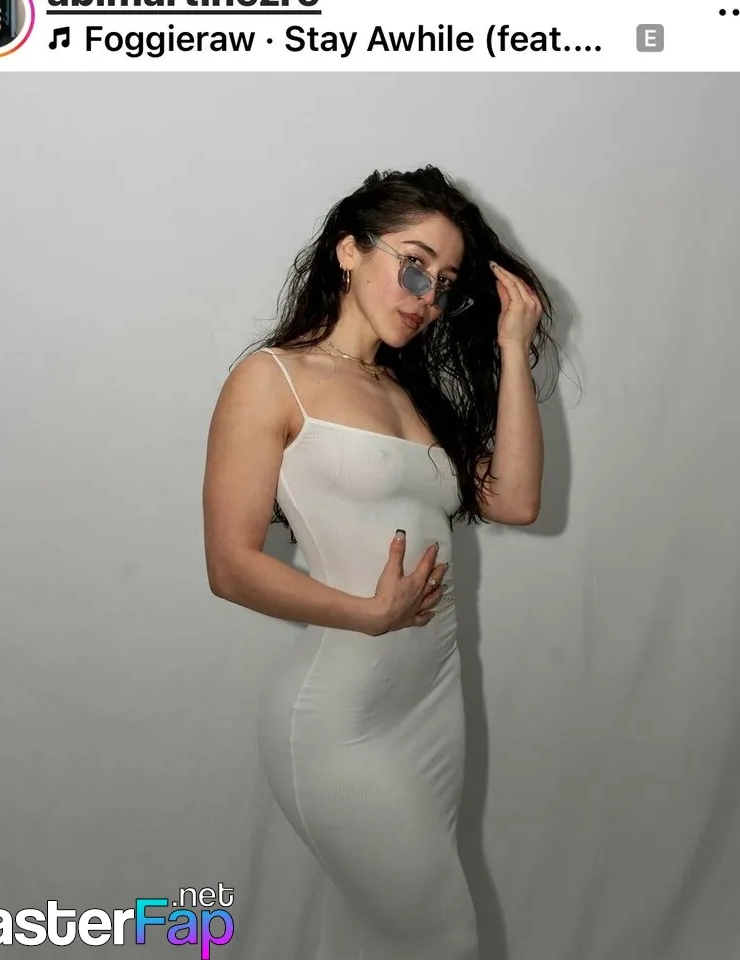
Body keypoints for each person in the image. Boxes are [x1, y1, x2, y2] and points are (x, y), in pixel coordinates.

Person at [202, 166, 559, 959]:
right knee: (443, 933)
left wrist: (511, 346)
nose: (426, 295)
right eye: (413, 264)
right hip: (339, 718)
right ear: (348, 251)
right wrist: (368, 613)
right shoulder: (271, 380)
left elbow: (515, 499)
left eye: (444, 283)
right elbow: (229, 565)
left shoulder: (407, 395)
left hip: (430, 705)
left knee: (376, 937)